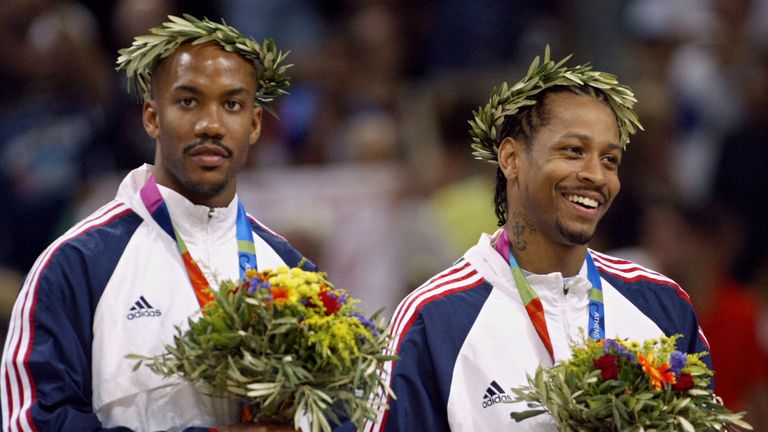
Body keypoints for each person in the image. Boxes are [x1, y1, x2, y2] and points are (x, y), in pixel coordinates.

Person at [368, 48, 712, 431]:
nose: (596, 176)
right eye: (573, 151)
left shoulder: (662, 305)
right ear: (511, 159)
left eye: (610, 159)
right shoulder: (432, 320)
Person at [1, 15, 307, 432]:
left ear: (254, 124)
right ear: (151, 117)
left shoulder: (291, 272)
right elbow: (34, 423)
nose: (211, 125)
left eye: (232, 104)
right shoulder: (77, 265)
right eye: (188, 101)